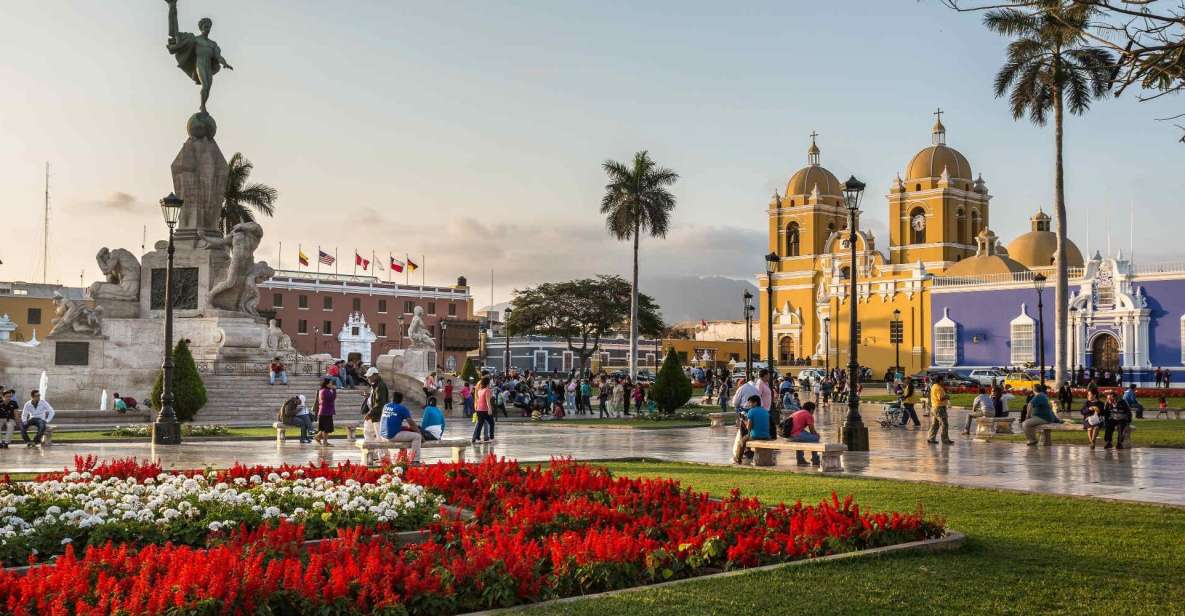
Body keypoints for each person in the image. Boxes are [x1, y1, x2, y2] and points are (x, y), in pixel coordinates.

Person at [379, 391, 422, 463]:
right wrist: (420, 433)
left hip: (383, 435)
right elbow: (411, 423)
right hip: (391, 436)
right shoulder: (402, 408)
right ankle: (415, 460)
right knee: (417, 437)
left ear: (392, 398)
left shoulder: (386, 406)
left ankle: (403, 458)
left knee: (403, 430)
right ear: (401, 400)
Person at [779, 401, 821, 466]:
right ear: (811, 409)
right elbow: (812, 430)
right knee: (815, 438)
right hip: (795, 435)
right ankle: (815, 459)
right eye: (813, 410)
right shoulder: (808, 414)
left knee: (803, 437)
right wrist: (817, 435)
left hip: (788, 436)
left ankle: (800, 459)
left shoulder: (798, 412)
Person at [732, 395, 771, 464]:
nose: (749, 404)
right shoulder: (765, 411)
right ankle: (749, 455)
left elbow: (748, 427)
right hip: (766, 436)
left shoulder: (751, 411)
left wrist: (744, 421)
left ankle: (738, 459)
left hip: (756, 435)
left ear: (755, 403)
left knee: (741, 441)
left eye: (750, 403)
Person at [361, 367, 389, 441]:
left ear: (375, 375)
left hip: (378, 415)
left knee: (379, 437)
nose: (368, 379)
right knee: (368, 431)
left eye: (369, 377)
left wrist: (370, 414)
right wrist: (369, 395)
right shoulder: (375, 385)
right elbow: (375, 398)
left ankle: (382, 452)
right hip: (374, 413)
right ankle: (370, 451)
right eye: (367, 377)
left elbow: (380, 403)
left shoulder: (380, 386)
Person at [926, 376, 953, 445]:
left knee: (935, 424)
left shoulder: (934, 386)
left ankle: (931, 438)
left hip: (935, 407)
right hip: (939, 408)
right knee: (944, 424)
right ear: (940, 381)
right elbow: (940, 398)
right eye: (943, 380)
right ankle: (945, 439)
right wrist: (947, 396)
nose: (943, 382)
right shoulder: (938, 388)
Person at [472, 376, 495, 443]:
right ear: (488, 383)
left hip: (479, 409)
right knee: (492, 423)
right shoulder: (487, 390)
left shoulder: (480, 390)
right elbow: (488, 401)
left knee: (480, 424)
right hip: (485, 410)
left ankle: (477, 438)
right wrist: (490, 409)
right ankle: (491, 437)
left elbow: (481, 399)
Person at [314, 378, 336, 447]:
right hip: (325, 412)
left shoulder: (324, 390)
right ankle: (325, 442)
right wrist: (334, 390)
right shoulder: (325, 391)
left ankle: (317, 437)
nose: (331, 384)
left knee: (325, 428)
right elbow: (332, 398)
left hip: (325, 411)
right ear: (326, 384)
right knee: (326, 429)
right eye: (330, 383)